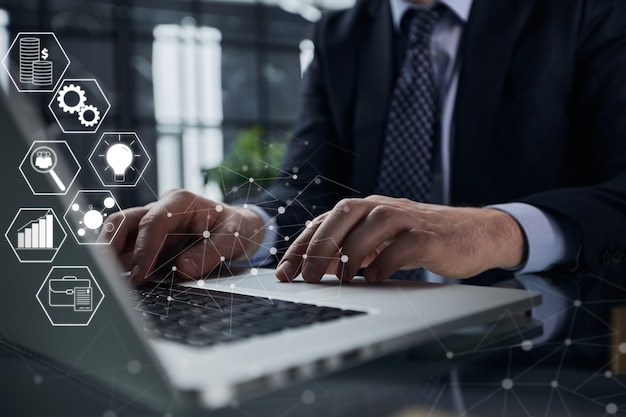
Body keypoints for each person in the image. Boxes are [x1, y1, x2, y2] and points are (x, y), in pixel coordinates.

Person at [105, 0, 626, 294]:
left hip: (542, 333)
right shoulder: (340, 35)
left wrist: (494, 230)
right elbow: (308, 189)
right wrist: (250, 227)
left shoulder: (586, 13)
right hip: (366, 316)